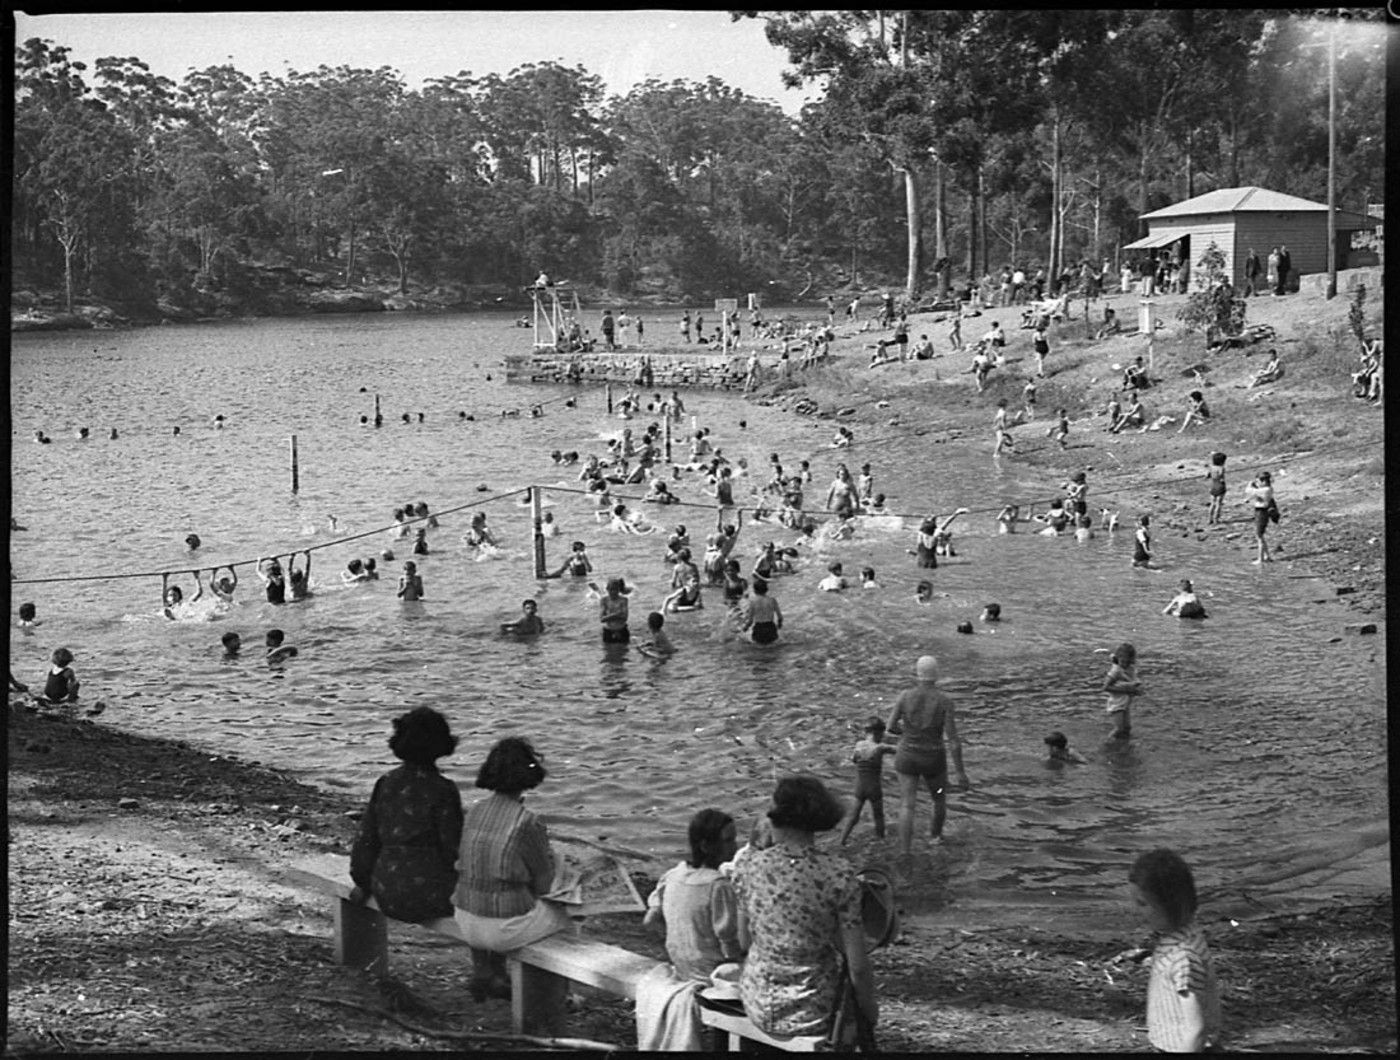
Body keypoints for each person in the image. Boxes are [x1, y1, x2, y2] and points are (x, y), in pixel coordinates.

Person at [732, 776, 878, 1040]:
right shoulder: (838, 874)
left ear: (776, 817)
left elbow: (743, 941)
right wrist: (869, 1012)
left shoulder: (747, 866)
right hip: (812, 1010)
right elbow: (857, 966)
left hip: (757, 1002)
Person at [454, 737, 573, 1003]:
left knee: (504, 891)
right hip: (501, 929)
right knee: (570, 916)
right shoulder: (527, 822)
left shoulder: (475, 811)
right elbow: (544, 885)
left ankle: (491, 973)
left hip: (465, 917)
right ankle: (552, 999)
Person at [348, 707, 464, 924]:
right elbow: (454, 848)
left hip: (386, 889)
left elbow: (366, 839)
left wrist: (362, 883)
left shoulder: (386, 783)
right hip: (432, 894)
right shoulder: (443, 789)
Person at [1127, 848, 1222, 1052]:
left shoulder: (1183, 958)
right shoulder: (1184, 933)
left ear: (1169, 904)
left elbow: (1196, 1029)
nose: (1135, 910)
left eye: (1142, 903)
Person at [644, 809, 744, 982]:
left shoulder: (671, 876)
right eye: (728, 841)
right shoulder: (718, 885)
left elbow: (650, 921)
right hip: (710, 974)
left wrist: (683, 940)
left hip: (684, 968)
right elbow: (728, 942)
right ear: (706, 846)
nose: (735, 847)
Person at [886, 655, 969, 854]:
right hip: (933, 759)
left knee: (907, 804)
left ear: (917, 673)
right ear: (937, 675)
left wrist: (906, 734)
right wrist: (960, 773)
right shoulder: (944, 701)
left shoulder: (904, 696)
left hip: (907, 756)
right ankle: (935, 838)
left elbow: (890, 727)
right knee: (939, 798)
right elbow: (954, 741)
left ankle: (905, 850)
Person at [839, 718, 897, 844]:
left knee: (853, 816)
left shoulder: (859, 745)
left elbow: (854, 759)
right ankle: (881, 840)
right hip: (874, 787)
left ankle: (842, 840)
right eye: (882, 734)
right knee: (878, 816)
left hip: (860, 787)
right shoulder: (880, 747)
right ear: (878, 733)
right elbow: (898, 750)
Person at [1103, 642, 1141, 740]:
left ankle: (1124, 744)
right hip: (1116, 704)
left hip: (1125, 703)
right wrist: (1126, 690)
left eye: (1128, 662)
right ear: (1118, 658)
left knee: (1127, 728)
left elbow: (1131, 682)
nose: (1125, 664)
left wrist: (1135, 690)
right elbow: (1106, 687)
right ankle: (1107, 743)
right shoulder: (1116, 670)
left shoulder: (1130, 669)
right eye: (1123, 662)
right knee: (1119, 729)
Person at [1245, 471, 1276, 564]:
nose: (1257, 483)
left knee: (1259, 536)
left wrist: (1250, 484)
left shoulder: (1266, 489)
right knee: (1260, 535)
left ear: (1264, 481)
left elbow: (1249, 491)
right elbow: (1252, 494)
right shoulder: (1264, 489)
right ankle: (1267, 556)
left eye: (1258, 481)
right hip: (1259, 511)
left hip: (1262, 512)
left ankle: (1260, 559)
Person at [743, 577, 782, 645]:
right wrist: (779, 625)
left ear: (754, 590)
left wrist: (745, 628)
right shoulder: (772, 600)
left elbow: (750, 621)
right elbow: (780, 617)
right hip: (770, 627)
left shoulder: (753, 602)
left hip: (759, 628)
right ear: (766, 589)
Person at [599, 576, 631, 643]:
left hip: (622, 629)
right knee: (608, 652)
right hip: (608, 631)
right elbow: (601, 619)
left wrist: (609, 617)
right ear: (607, 589)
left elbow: (625, 618)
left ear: (619, 590)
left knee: (623, 651)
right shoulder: (604, 600)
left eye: (615, 589)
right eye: (611, 589)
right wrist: (616, 614)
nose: (613, 592)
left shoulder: (624, 600)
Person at [1205, 452, 1227, 525]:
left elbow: (1207, 476)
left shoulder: (1211, 467)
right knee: (1218, 504)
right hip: (1220, 486)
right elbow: (1221, 477)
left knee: (1212, 503)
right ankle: (1216, 519)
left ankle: (1209, 519)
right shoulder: (1221, 468)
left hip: (1213, 485)